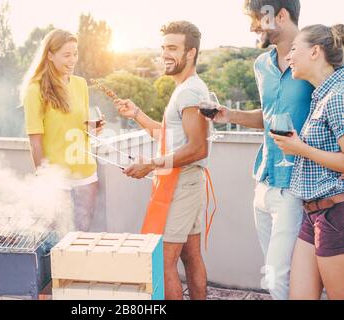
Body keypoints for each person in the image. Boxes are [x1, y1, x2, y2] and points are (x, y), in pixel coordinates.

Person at [203, 0, 314, 299]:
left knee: (277, 277)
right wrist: (231, 116)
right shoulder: (261, 65)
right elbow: (268, 115)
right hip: (263, 183)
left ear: (281, 15)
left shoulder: (315, 58)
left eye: (258, 19)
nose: (253, 26)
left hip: (295, 185)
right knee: (275, 270)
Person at [114, 21, 210, 300]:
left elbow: (197, 148)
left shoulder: (190, 91)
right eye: (163, 48)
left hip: (182, 184)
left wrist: (151, 164)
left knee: (163, 261)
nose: (165, 54)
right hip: (187, 182)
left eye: (172, 48)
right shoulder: (186, 88)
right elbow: (169, 136)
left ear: (190, 53)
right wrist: (138, 115)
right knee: (191, 256)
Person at [270, 24, 344, 300]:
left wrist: (300, 148)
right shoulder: (321, 94)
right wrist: (298, 148)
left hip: (336, 214)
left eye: (293, 49)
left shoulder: (338, 96)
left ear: (315, 52)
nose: (288, 57)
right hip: (312, 214)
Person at [21, 29, 105, 232]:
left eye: (75, 54)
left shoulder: (80, 84)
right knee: (56, 240)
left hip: (86, 172)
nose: (73, 60)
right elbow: (35, 142)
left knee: (82, 234)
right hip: (57, 178)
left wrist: (92, 126)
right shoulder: (35, 90)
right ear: (50, 55)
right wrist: (45, 180)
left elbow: (79, 123)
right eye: (66, 55)